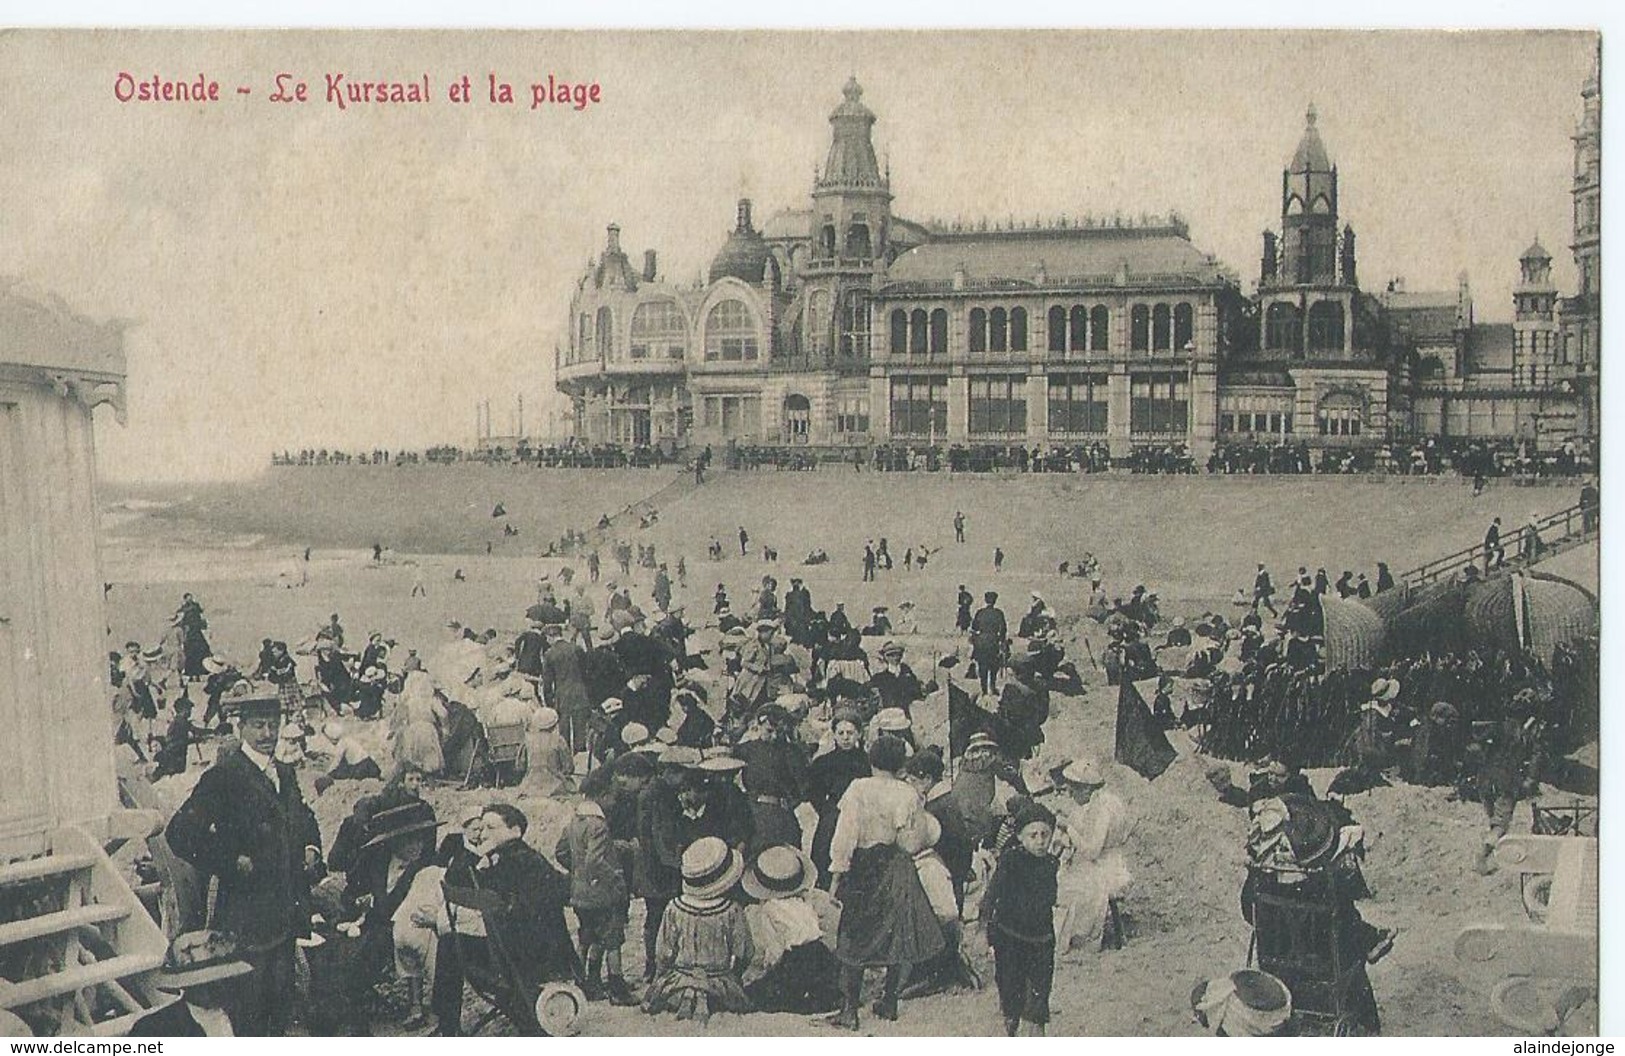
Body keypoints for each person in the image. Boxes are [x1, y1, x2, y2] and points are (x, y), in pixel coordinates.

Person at [166, 685, 322, 1036]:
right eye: (259, 726)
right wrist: (231, 860)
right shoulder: (225, 776)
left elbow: (303, 818)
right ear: (242, 728)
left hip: (285, 912)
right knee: (247, 1012)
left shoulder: (284, 773)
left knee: (280, 1007)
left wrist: (310, 847)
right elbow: (180, 833)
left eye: (273, 725)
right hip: (245, 921)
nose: (268, 734)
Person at [825, 735, 944, 1030]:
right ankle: (889, 1001)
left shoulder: (858, 788)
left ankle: (849, 1010)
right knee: (897, 931)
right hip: (895, 864)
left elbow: (845, 835)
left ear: (871, 759)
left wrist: (836, 875)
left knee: (854, 932)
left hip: (864, 865)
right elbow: (911, 840)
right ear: (901, 763)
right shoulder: (907, 794)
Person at [642, 836, 754, 1023]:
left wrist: (660, 980)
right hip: (719, 983)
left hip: (678, 980)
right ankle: (703, 996)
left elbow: (663, 953)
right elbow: (745, 952)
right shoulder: (732, 910)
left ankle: (689, 995)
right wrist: (735, 977)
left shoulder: (674, 907)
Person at [557, 770, 638, 1005]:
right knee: (613, 940)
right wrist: (614, 875)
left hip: (580, 893)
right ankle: (617, 988)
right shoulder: (598, 824)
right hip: (602, 892)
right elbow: (595, 859)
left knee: (589, 936)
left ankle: (586, 982)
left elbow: (561, 851)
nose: (613, 801)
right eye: (611, 796)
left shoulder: (575, 820)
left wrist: (578, 871)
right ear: (602, 796)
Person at [982, 801, 1060, 1037]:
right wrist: (984, 930)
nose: (1040, 841)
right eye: (1033, 835)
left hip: (1041, 939)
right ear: (1019, 836)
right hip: (1009, 937)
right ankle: (1011, 1027)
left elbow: (1052, 897)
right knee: (1010, 990)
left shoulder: (1051, 864)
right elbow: (992, 894)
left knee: (1039, 995)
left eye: (1045, 835)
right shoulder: (1010, 861)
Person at [740, 845, 842, 1014]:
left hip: (792, 962)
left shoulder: (766, 911)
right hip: (821, 956)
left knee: (760, 992)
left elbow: (773, 953)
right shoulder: (810, 900)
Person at [1050, 758, 1133, 959]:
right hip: (1106, 859)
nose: (1070, 795)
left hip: (1106, 867)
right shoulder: (1103, 800)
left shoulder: (1103, 808)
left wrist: (1067, 828)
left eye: (1072, 790)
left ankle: (1071, 937)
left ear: (1085, 789)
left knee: (1063, 887)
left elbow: (1092, 850)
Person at [128, 930, 256, 1037]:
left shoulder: (244, 1015)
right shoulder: (155, 1028)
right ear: (189, 985)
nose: (223, 986)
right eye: (211, 983)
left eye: (227, 979)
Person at [970, 591, 1008, 695]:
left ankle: (984, 689)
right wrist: (1001, 641)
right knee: (993, 666)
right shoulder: (999, 613)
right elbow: (1003, 629)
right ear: (995, 601)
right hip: (993, 641)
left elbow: (974, 628)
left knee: (982, 666)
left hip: (981, 642)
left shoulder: (980, 612)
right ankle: (992, 686)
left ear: (985, 600)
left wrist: (976, 640)